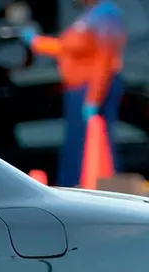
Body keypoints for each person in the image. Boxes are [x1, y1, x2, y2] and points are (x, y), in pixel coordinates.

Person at [21, 0, 126, 186]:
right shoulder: (89, 16)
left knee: (90, 145)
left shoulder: (106, 16)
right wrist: (37, 42)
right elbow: (67, 47)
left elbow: (103, 59)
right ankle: (72, 184)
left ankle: (93, 187)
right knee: (75, 144)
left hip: (90, 89)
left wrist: (94, 98)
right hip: (79, 89)